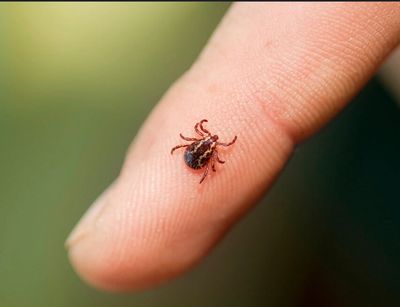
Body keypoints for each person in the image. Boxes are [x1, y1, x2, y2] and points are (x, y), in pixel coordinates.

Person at [65, 2, 400, 292]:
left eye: (208, 142)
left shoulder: (203, 148)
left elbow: (195, 150)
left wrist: (199, 154)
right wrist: (203, 157)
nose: (208, 144)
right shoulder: (206, 149)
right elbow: (202, 155)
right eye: (207, 141)